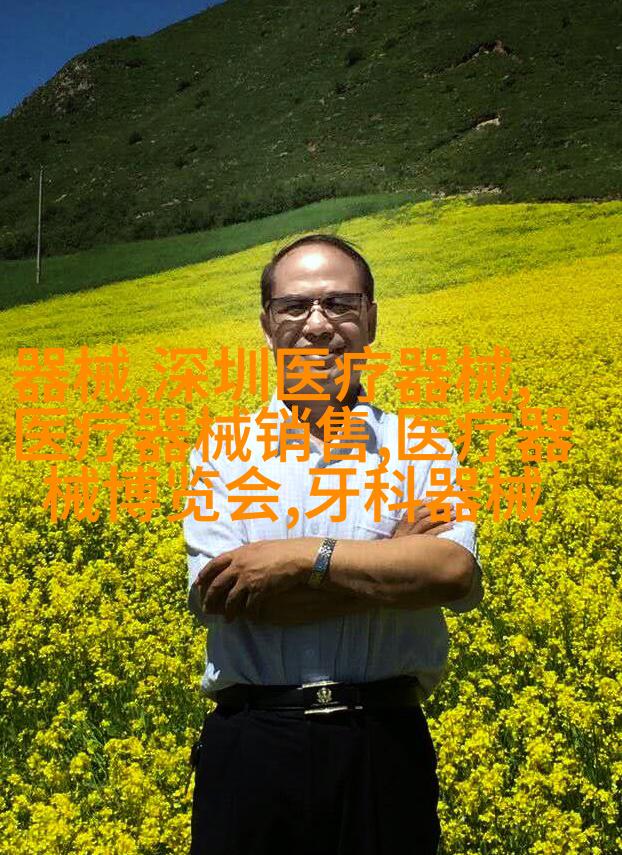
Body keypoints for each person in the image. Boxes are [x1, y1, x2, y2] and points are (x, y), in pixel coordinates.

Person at [183, 233, 484, 855]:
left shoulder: (423, 448)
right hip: (255, 745)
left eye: (340, 304)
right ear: (267, 325)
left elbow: (452, 573)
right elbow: (226, 599)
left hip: (384, 746)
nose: (318, 325)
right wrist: (392, 570)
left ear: (370, 319)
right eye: (295, 306)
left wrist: (299, 558)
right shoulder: (221, 453)